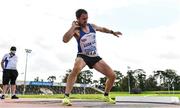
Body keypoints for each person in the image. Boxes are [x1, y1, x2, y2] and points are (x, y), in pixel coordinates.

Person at [62, 9, 122, 106]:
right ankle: (66, 97)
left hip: (95, 57)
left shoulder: (92, 26)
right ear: (77, 19)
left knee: (112, 75)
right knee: (76, 68)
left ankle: (106, 95)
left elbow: (102, 29)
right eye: (83, 19)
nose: (85, 20)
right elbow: (65, 40)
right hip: (83, 56)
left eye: (87, 18)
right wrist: (72, 27)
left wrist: (112, 32)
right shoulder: (76, 30)